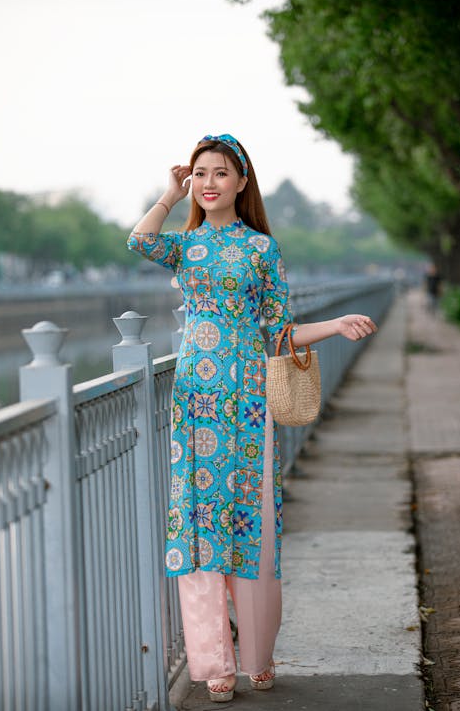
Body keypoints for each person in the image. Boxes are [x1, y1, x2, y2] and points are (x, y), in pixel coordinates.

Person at [127, 134, 377, 702]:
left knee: (252, 522)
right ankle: (215, 663)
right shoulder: (185, 245)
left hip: (246, 399)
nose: (208, 183)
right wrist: (169, 194)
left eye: (220, 173)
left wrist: (336, 325)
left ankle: (257, 654)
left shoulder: (262, 250)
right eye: (200, 174)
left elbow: (281, 332)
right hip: (194, 402)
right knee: (196, 526)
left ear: (242, 182)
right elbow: (139, 239)